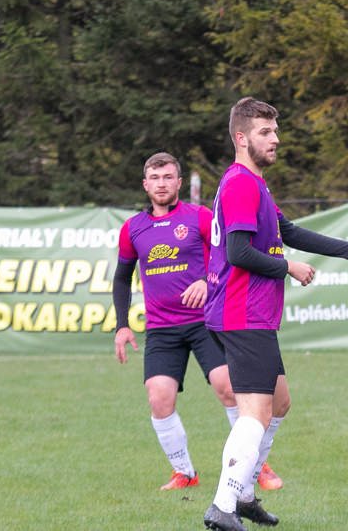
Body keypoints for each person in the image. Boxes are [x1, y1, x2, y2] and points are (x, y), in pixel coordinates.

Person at [202, 97, 348, 531]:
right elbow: (238, 252)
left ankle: (244, 492)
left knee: (279, 402)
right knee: (254, 413)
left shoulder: (253, 183)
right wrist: (289, 266)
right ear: (241, 137)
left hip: (251, 314)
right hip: (241, 313)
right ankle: (223, 503)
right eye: (266, 132)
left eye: (275, 130)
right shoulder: (240, 184)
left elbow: (286, 231)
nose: (276, 139)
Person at [113, 151, 282, 492]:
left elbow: (228, 255)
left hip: (206, 321)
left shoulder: (200, 217)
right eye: (155, 178)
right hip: (161, 328)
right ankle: (184, 473)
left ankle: (254, 463)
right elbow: (121, 277)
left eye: (168, 177)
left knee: (230, 389)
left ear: (179, 182)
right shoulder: (133, 228)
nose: (162, 184)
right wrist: (121, 324)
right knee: (158, 398)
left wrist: (208, 282)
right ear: (146, 185)